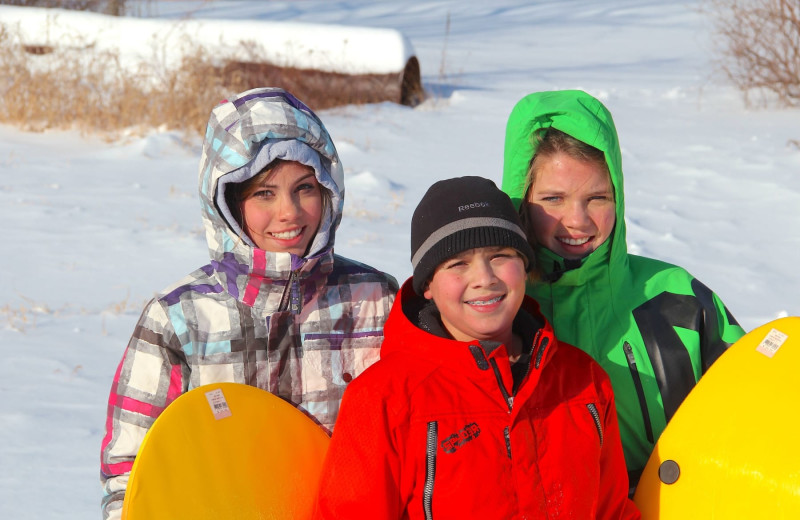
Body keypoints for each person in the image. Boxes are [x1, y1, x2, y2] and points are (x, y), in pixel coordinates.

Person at [99, 87, 398, 520]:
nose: (289, 212)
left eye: (305, 188)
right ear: (230, 204)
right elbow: (131, 472)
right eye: (264, 193)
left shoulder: (375, 299)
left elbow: (416, 438)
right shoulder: (179, 319)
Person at [314, 176, 640, 519]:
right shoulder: (384, 399)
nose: (485, 278)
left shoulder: (583, 380)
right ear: (427, 286)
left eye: (500, 255)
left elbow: (613, 511)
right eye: (458, 263)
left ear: (525, 268)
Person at [501, 89, 746, 490]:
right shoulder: (496, 311)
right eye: (554, 199)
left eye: (597, 197)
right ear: (521, 201)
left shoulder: (677, 300)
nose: (576, 220)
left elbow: (754, 409)